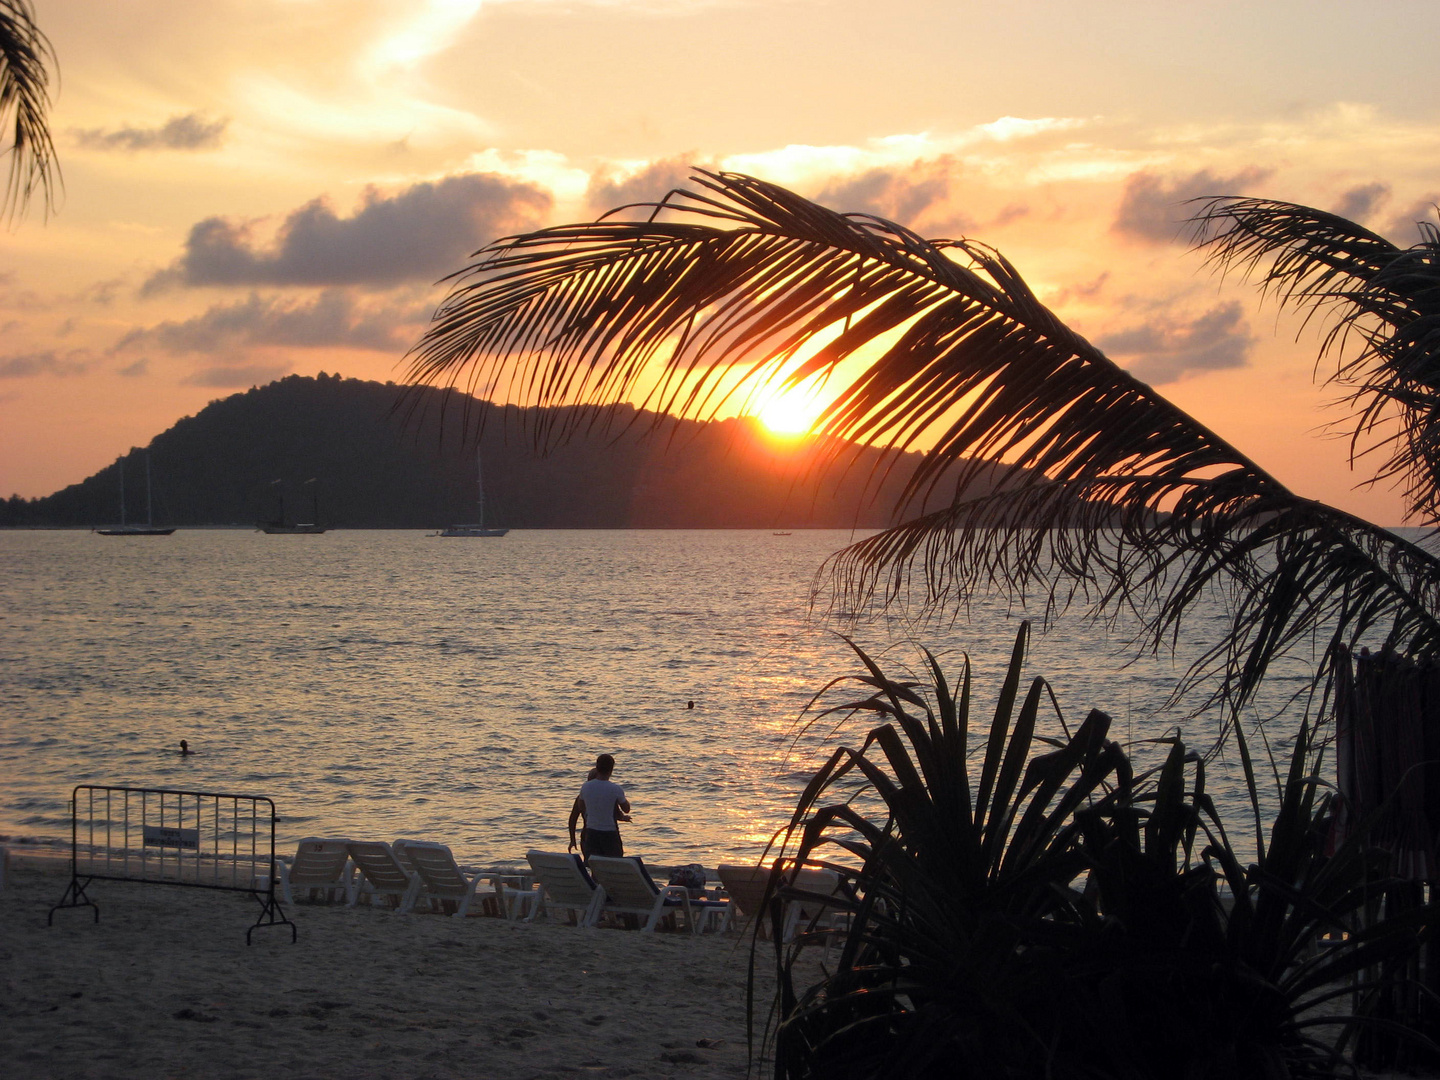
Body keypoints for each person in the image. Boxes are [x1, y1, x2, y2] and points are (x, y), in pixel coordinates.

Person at [568, 753, 630, 860]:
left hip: (590, 833)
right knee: (615, 863)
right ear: (611, 769)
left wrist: (572, 839)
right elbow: (626, 809)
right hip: (609, 833)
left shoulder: (585, 788)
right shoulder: (615, 789)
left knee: (594, 864)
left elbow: (579, 810)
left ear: (597, 768)